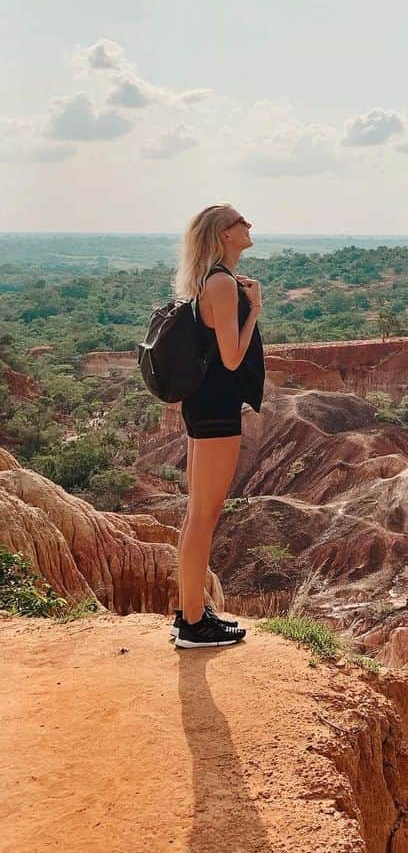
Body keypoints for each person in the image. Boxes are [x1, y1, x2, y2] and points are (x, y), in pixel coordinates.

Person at [170, 204, 265, 648]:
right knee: (203, 517)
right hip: (216, 410)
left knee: (197, 516)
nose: (249, 225)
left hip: (203, 406)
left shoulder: (212, 281)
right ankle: (193, 624)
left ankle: (191, 611)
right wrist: (256, 311)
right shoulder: (224, 285)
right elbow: (231, 358)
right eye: (240, 221)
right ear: (224, 235)